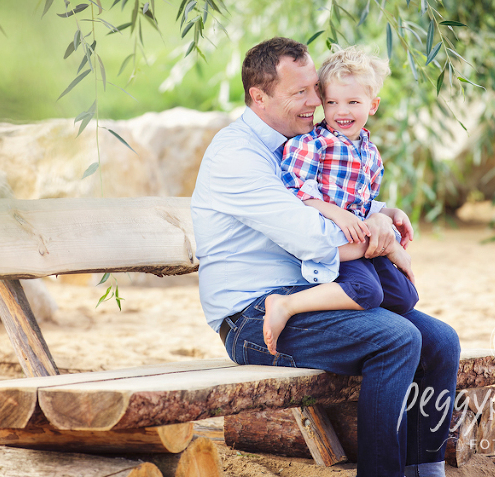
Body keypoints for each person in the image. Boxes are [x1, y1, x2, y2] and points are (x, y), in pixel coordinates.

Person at [191, 37, 460, 477]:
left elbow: (338, 197)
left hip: (314, 295)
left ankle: (424, 470)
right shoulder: (237, 156)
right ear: (259, 98)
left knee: (441, 341)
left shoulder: (300, 140)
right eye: (300, 93)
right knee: (397, 338)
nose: (316, 101)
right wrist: (386, 241)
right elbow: (316, 239)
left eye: (314, 88)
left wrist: (382, 214)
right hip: (252, 318)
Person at [262, 46, 420, 355]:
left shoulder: (370, 153)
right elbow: (293, 190)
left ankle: (353, 307)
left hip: (361, 238)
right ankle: (287, 304)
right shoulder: (313, 144)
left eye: (353, 102)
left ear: (372, 105)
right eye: (332, 102)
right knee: (367, 291)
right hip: (335, 243)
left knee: (406, 297)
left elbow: (364, 202)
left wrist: (389, 211)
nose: (341, 112)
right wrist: (335, 213)